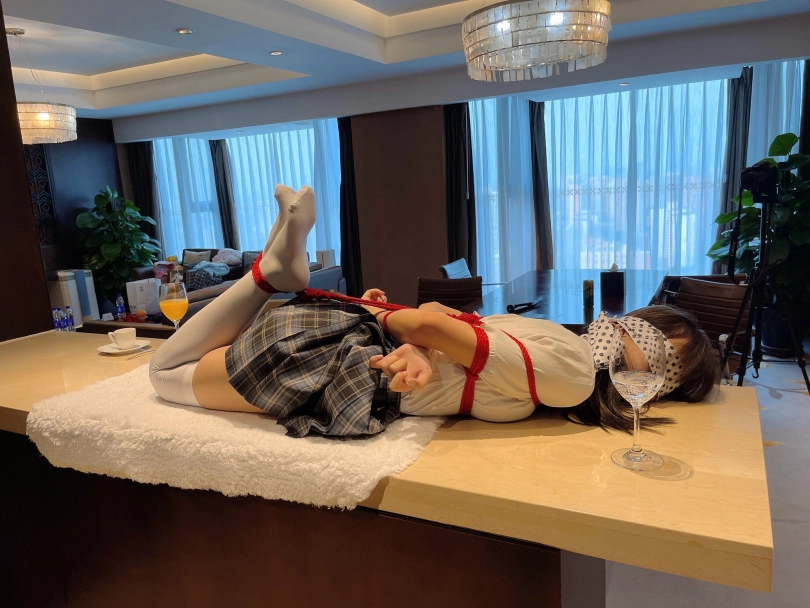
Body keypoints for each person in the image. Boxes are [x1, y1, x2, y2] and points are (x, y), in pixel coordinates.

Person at [150, 185, 717, 438]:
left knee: (175, 368)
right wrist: (407, 332)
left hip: (356, 354)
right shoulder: (570, 369)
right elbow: (429, 321)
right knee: (163, 373)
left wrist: (413, 334)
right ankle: (265, 274)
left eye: (649, 340)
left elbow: (437, 323)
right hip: (354, 361)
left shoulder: (564, 359)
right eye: (640, 325)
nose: (619, 327)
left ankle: (269, 270)